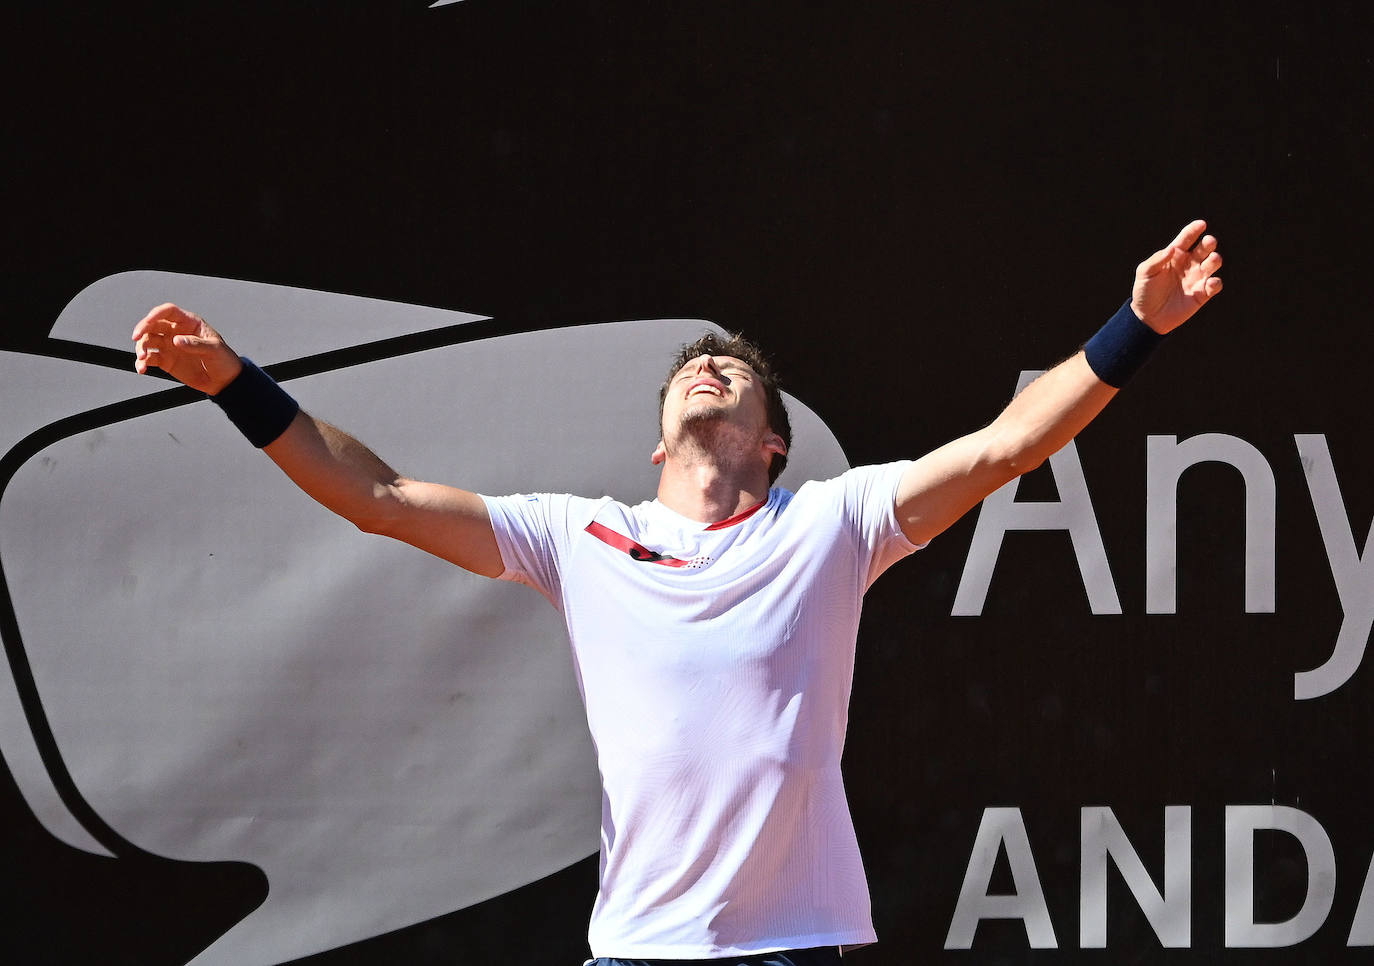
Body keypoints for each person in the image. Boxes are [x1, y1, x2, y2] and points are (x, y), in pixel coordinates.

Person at [131, 221, 1222, 965]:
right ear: (657, 448)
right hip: (637, 950)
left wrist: (1136, 329)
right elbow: (379, 494)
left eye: (736, 374)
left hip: (799, 946)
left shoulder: (832, 524)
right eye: (689, 375)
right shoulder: (580, 537)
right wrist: (238, 385)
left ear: (773, 438)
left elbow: (1004, 449)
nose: (711, 371)